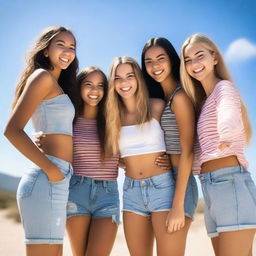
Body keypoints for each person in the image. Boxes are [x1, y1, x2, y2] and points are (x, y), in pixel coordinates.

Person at [4, 26, 78, 256]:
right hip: (47, 178)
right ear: (46, 51)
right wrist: (51, 168)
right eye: (60, 45)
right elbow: (12, 130)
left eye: (72, 47)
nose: (67, 51)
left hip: (58, 179)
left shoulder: (57, 85)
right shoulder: (42, 77)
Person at [180, 33, 256, 256]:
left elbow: (228, 114)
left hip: (229, 182)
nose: (194, 64)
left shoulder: (224, 88)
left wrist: (226, 133)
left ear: (214, 58)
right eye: (188, 60)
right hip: (211, 187)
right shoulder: (203, 102)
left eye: (199, 56)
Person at [105, 56, 183, 256]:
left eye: (130, 76)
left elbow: (178, 140)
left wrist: (171, 159)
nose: (124, 82)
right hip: (131, 192)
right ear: (112, 82)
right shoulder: (111, 117)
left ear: (138, 79)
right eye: (118, 77)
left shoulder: (156, 106)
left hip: (162, 188)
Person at [141, 37, 199, 255]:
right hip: (163, 180)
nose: (155, 66)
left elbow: (188, 151)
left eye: (160, 59)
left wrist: (178, 206)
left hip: (180, 184)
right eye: (148, 61)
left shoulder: (180, 97)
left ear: (172, 60)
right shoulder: (162, 98)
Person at [66, 66, 120, 256]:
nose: (94, 91)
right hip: (76, 190)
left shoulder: (114, 121)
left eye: (100, 86)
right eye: (88, 84)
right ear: (79, 87)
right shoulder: (69, 121)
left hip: (108, 194)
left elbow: (125, 157)